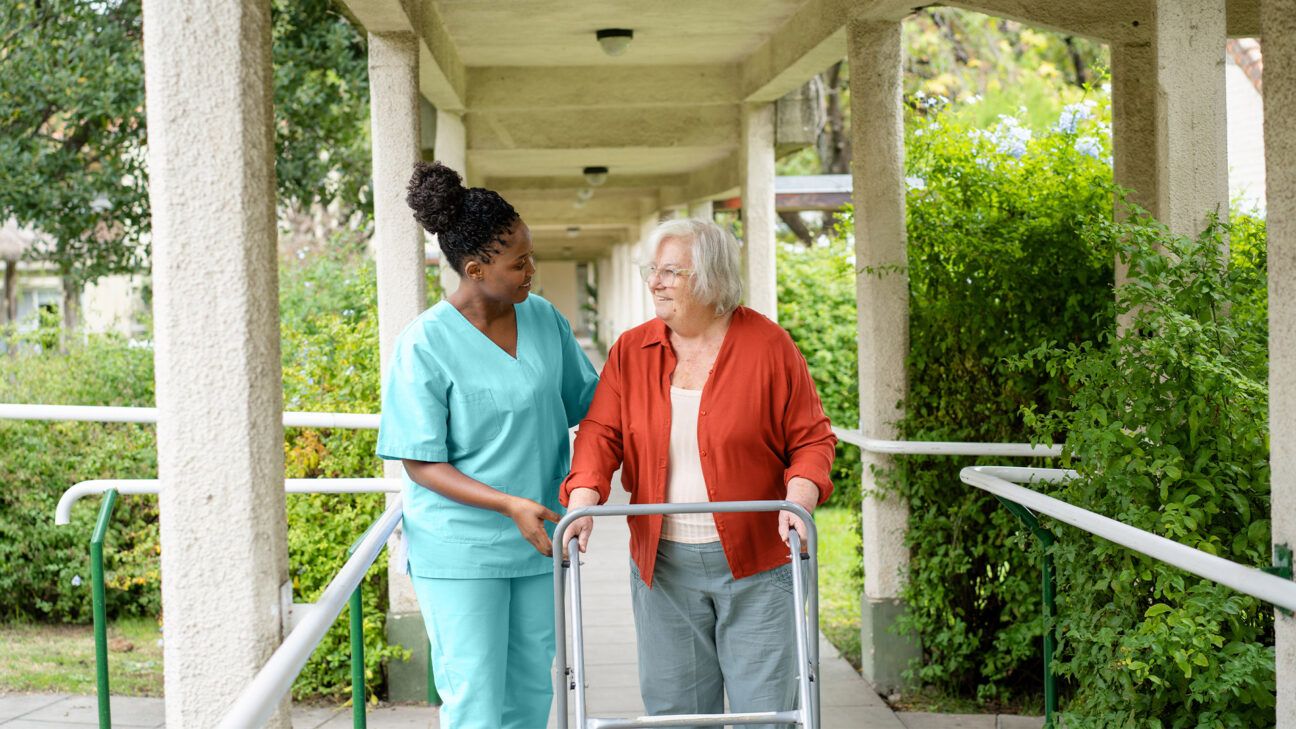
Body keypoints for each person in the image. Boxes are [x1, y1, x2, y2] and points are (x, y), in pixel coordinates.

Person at [559, 218, 836, 726]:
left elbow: (812, 439)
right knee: (676, 715)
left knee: (767, 713)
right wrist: (581, 503)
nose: (654, 282)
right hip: (663, 568)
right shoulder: (631, 350)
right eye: (652, 271)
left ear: (709, 277)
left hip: (759, 564)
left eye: (670, 272)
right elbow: (601, 435)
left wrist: (799, 501)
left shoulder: (769, 346)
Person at [376, 161, 598, 729]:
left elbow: (592, 404)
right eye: (518, 262)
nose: (531, 270)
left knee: (528, 693)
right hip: (461, 550)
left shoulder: (543, 319)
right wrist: (506, 504)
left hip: (539, 538)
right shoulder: (424, 344)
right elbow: (421, 463)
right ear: (475, 269)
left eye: (530, 256)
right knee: (475, 699)